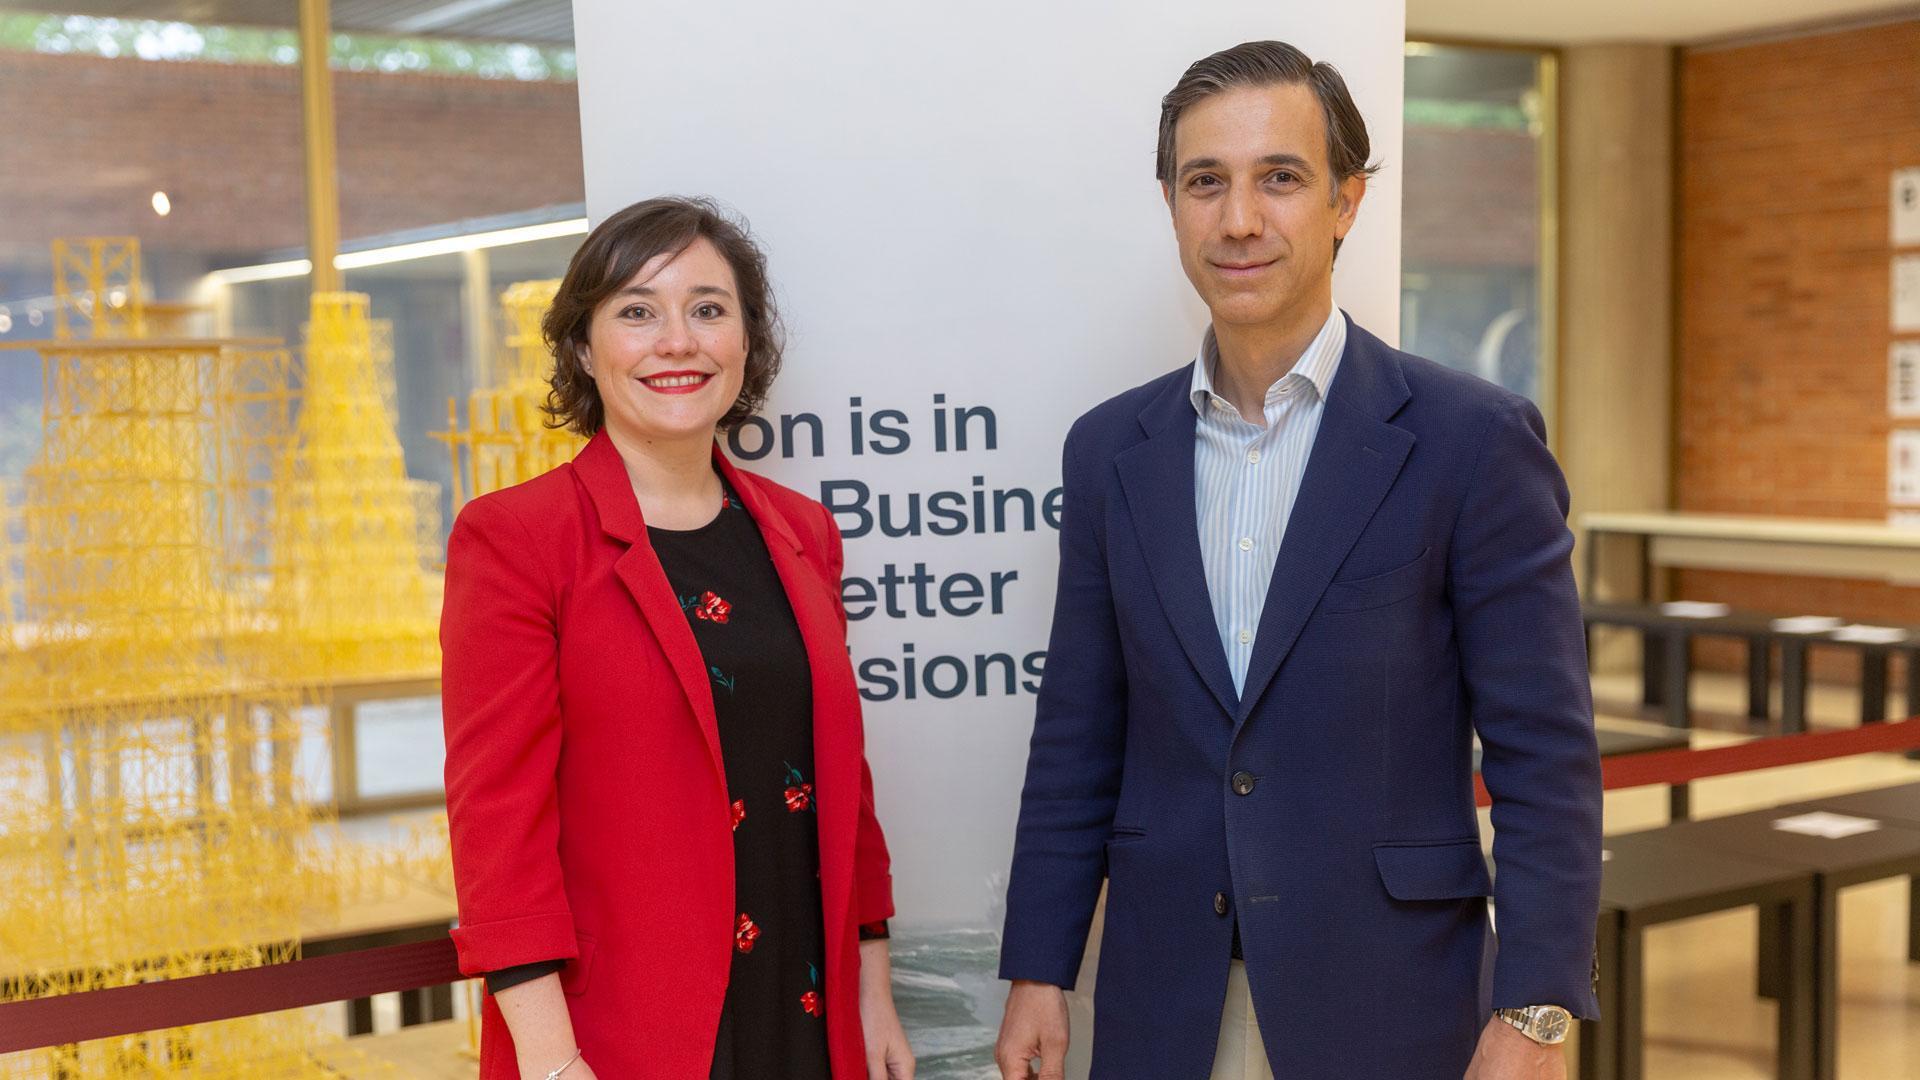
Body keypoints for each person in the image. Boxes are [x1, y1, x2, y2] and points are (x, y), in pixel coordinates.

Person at [994, 41, 1601, 1080]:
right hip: (1163, 999)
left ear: (1347, 202)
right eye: (1205, 182)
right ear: (1173, 205)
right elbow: (1078, 735)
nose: (1238, 219)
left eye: (1279, 177)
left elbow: (1544, 756)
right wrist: (1038, 970)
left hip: (1395, 996)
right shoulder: (1109, 453)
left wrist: (1537, 1005)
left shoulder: (1472, 442)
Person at [441, 196, 914, 1080]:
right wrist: (551, 1064)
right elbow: (497, 833)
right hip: (622, 1035)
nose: (678, 341)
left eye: (708, 309)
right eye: (636, 312)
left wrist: (872, 992)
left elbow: (844, 784)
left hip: (808, 1013)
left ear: (744, 341)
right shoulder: (518, 539)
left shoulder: (803, 532)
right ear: (585, 348)